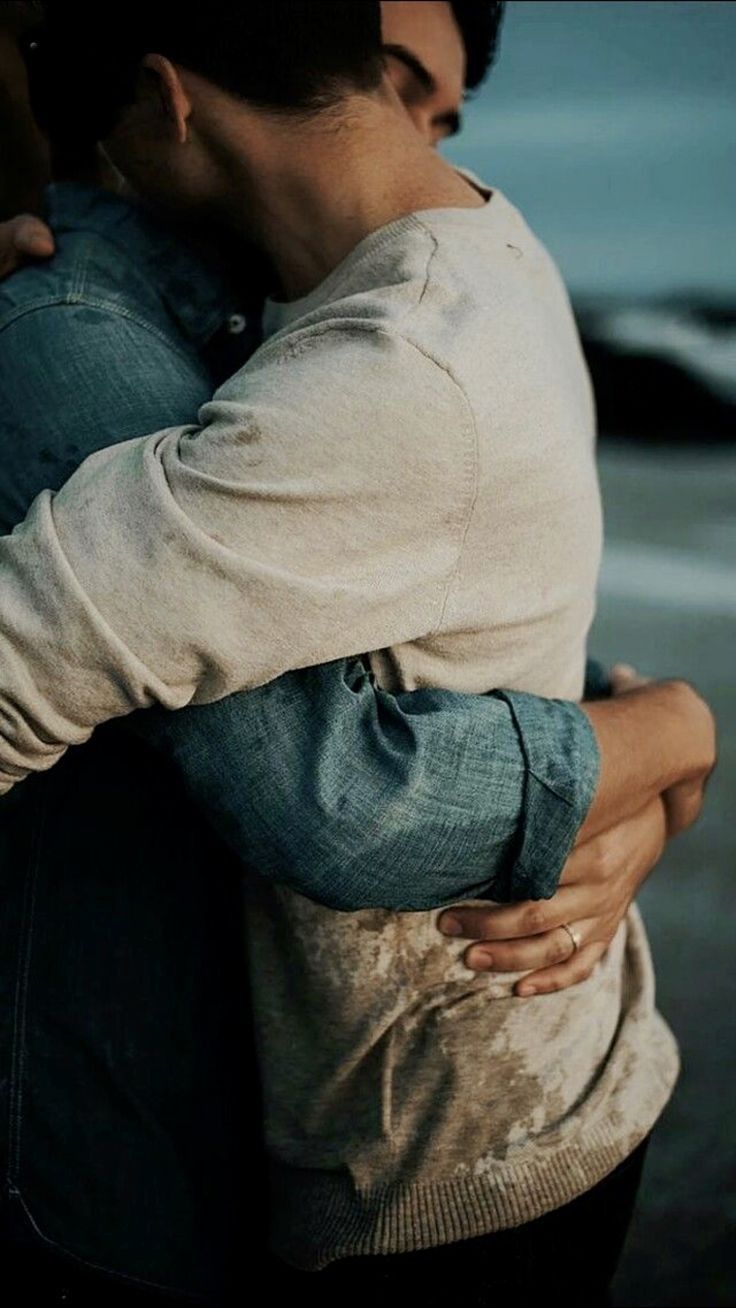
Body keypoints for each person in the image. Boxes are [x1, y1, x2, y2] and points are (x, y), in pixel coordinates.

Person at [0, 2, 715, 1304]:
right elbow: (465, 587)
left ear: (165, 99)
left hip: (451, 1157)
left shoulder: (382, 371)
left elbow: (36, 668)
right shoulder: (475, 246)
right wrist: (662, 732)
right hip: (527, 1079)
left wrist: (667, 738)